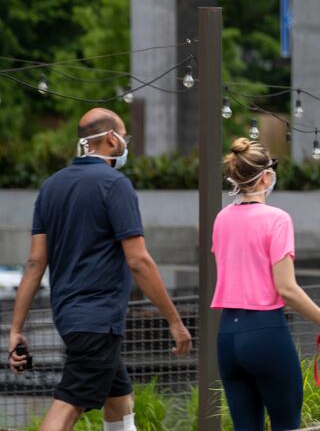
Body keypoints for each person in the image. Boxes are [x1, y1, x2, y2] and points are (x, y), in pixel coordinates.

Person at [7, 108, 192, 431]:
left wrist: (16, 328)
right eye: (125, 137)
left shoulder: (51, 186)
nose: (125, 144)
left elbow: (36, 263)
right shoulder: (114, 184)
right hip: (98, 319)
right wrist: (174, 321)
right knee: (68, 406)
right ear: (111, 138)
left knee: (119, 399)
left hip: (70, 316)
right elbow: (139, 261)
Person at [211, 137, 320, 430]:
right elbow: (286, 288)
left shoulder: (221, 219)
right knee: (287, 424)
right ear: (266, 176)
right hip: (265, 332)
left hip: (227, 336)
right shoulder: (277, 219)